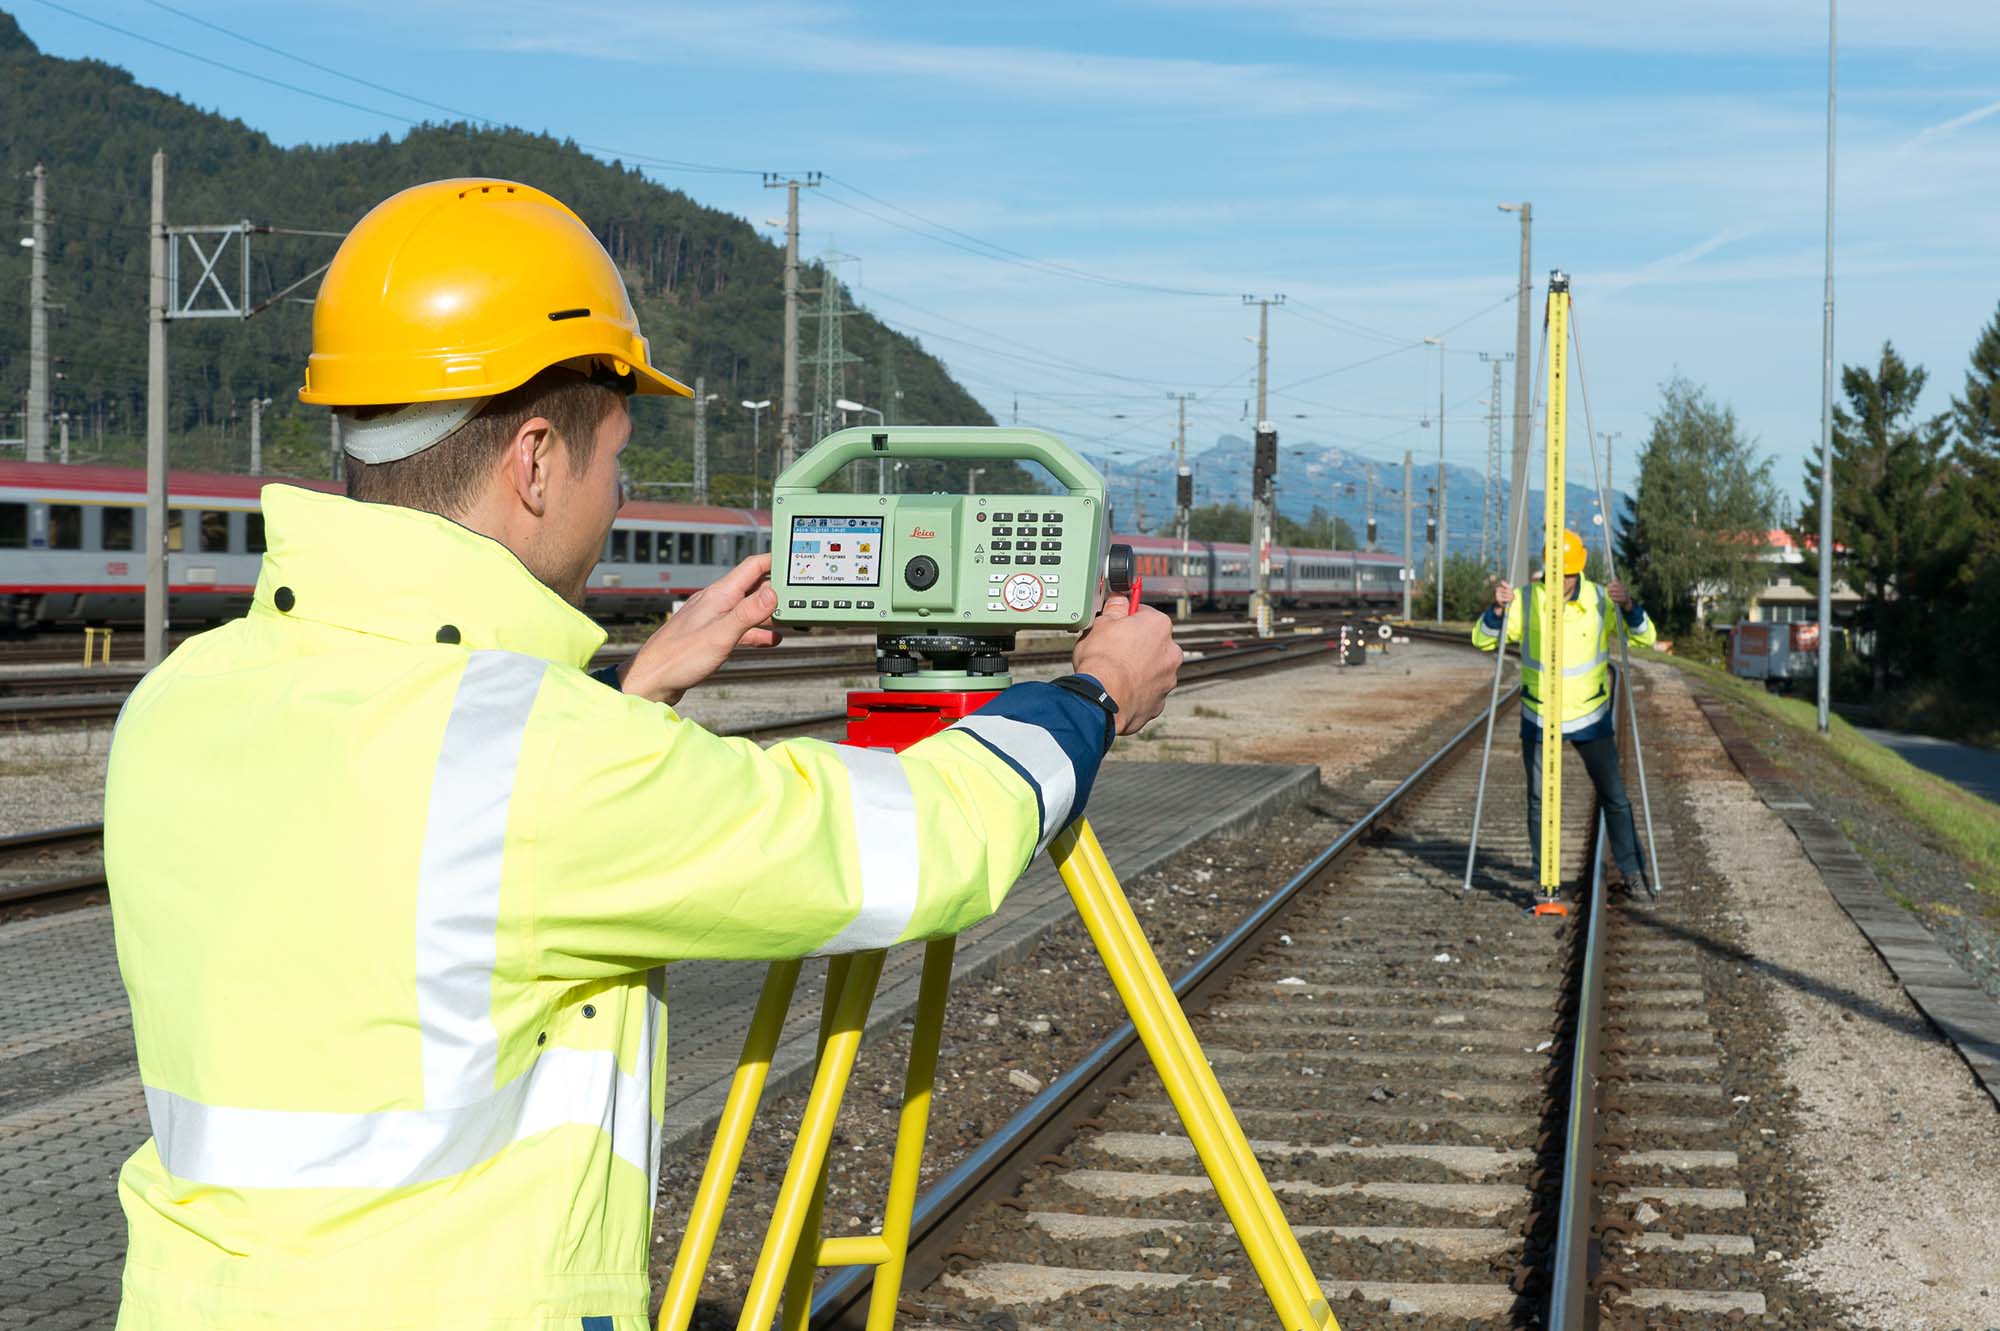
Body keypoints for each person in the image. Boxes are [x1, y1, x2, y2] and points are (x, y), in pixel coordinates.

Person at [104, 178, 1182, 1331]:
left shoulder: (180, 701)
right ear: (531, 461)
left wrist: (631, 687)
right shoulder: (545, 759)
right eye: (614, 458)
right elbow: (917, 848)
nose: (617, 496)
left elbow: (400, 817)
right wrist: (1092, 692)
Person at [1471, 527, 1657, 900]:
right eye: (1556, 574)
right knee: (1540, 801)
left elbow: (1645, 637)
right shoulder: (1525, 600)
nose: (1562, 582)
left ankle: (1633, 872)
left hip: (1590, 718)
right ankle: (1545, 881)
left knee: (1615, 797)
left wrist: (1630, 606)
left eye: (1568, 575)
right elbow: (1482, 639)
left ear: (1579, 571)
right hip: (1540, 718)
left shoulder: (1601, 600)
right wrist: (1497, 609)